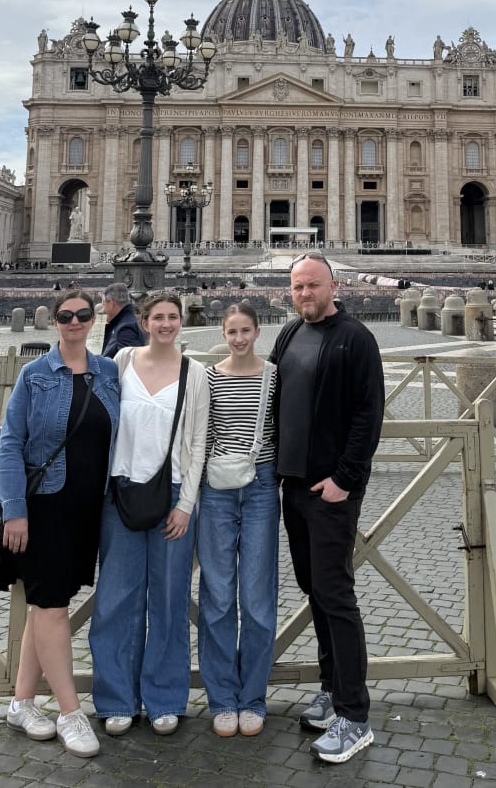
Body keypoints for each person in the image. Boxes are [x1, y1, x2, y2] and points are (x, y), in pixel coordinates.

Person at [0, 288, 120, 758]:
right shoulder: (34, 374)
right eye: (66, 315)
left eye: (82, 314)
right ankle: (70, 711)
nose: (74, 321)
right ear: (55, 321)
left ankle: (21, 703)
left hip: (87, 507)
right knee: (52, 610)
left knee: (45, 605)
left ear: (94, 319)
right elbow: (9, 445)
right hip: (42, 507)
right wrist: (14, 509)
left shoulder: (109, 372)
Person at [268, 254, 385, 765]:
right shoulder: (290, 334)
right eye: (297, 286)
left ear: (332, 285)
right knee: (314, 589)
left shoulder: (356, 338)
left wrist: (345, 479)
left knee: (336, 595)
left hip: (330, 491)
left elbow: (368, 413)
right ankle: (331, 687)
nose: (304, 293)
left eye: (312, 285)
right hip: (292, 487)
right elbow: (273, 400)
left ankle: (354, 715)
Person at [89, 291, 209, 739]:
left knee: (170, 600)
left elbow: (198, 444)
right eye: (157, 317)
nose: (165, 324)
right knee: (115, 598)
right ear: (142, 321)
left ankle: (164, 698)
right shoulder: (119, 361)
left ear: (181, 322)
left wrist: (186, 504)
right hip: (120, 492)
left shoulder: (195, 374)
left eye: (172, 317)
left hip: (173, 495)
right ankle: (115, 697)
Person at [197, 302, 278, 737]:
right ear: (223, 333)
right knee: (218, 594)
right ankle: (222, 697)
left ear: (257, 331)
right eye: (233, 331)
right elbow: (203, 435)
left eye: (246, 330)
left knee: (259, 598)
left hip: (262, 487)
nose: (240, 338)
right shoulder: (209, 377)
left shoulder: (274, 375)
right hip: (217, 489)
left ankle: (254, 697)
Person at [100, 282, 145, 358]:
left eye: (103, 303)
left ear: (111, 303)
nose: (103, 309)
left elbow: (130, 362)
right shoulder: (127, 321)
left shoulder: (125, 329)